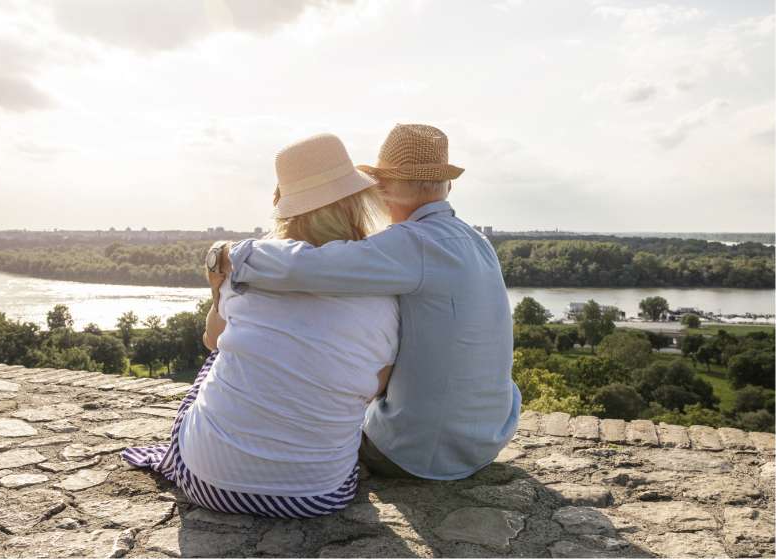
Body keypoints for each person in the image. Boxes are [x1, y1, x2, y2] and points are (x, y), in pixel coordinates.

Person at [218, 123, 521, 480]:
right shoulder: (477, 242)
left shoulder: (413, 243)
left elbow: (309, 267)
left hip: (421, 451)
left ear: (384, 188)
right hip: (488, 438)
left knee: (326, 421)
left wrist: (232, 255)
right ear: (447, 185)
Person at [121, 133, 399, 518]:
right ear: (355, 204)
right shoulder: (382, 289)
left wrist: (217, 289)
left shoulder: (250, 269)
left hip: (208, 483)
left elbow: (212, 339)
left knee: (217, 359)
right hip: (318, 495)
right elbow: (376, 387)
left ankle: (207, 454)